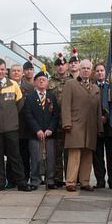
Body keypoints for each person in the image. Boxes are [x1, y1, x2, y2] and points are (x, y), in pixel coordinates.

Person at [0, 58, 32, 192]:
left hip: (11, 128)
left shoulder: (14, 85)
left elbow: (19, 104)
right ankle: (0, 183)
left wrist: (11, 117)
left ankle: (21, 183)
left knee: (15, 156)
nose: (0, 72)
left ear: (5, 71)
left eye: (2, 69)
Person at [61, 59, 102, 192]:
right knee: (74, 154)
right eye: (83, 68)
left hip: (90, 127)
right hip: (75, 125)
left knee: (87, 155)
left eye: (88, 68)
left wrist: (99, 127)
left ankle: (85, 182)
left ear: (91, 71)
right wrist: (67, 123)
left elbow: (98, 110)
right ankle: (71, 182)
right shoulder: (70, 84)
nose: (85, 70)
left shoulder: (95, 88)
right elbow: (65, 105)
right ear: (79, 69)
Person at [23, 71, 59, 190]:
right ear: (34, 83)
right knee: (35, 158)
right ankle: (35, 180)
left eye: (44, 79)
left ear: (48, 83)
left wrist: (50, 129)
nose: (41, 81)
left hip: (49, 134)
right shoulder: (29, 98)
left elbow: (55, 115)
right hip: (34, 134)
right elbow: (28, 115)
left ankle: (50, 179)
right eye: (39, 79)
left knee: (50, 158)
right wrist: (37, 130)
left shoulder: (51, 97)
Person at [47, 54, 71, 188]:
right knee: (56, 152)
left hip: (68, 121)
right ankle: (57, 178)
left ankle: (70, 178)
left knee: (69, 152)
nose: (61, 67)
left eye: (63, 64)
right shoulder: (50, 81)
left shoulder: (73, 80)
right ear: (56, 67)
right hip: (54, 122)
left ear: (66, 66)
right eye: (58, 65)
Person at [93, 62, 112, 189]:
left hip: (110, 127)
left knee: (111, 156)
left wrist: (107, 118)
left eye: (102, 70)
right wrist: (98, 118)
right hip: (96, 126)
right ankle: (100, 180)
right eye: (97, 71)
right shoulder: (91, 87)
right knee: (97, 156)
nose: (100, 73)